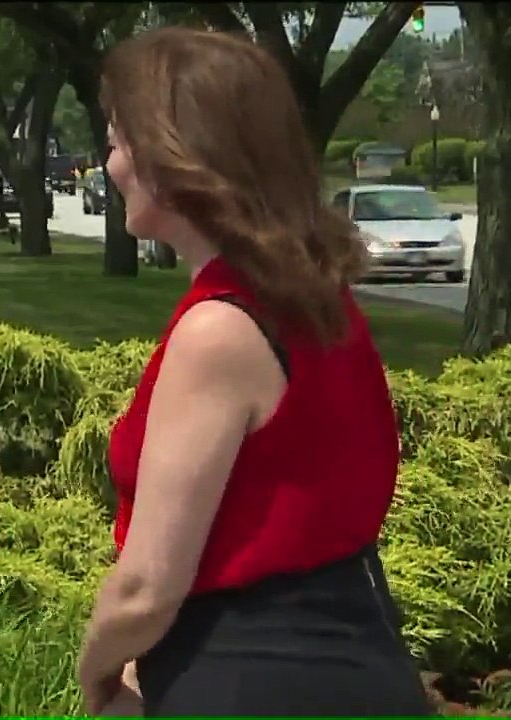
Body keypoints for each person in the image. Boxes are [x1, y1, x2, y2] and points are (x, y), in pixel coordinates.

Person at [74, 27, 432, 717]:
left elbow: (146, 587)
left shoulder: (219, 330)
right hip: (358, 653)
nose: (109, 163)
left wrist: (97, 671)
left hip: (248, 679)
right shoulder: (312, 298)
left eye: (119, 140)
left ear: (173, 158)